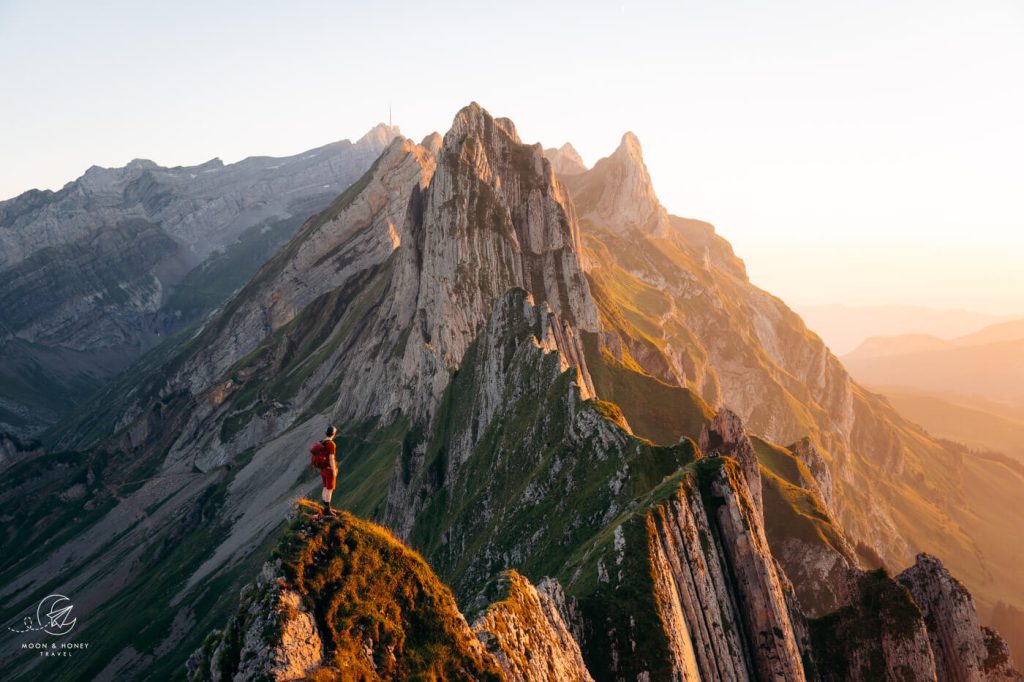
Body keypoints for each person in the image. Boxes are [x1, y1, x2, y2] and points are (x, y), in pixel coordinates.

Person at [319, 425, 339, 516]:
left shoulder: (322, 442)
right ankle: (327, 510)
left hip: (322, 468)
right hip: (329, 469)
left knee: (325, 486)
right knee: (329, 489)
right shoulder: (331, 444)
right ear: (333, 434)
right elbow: (331, 458)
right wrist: (334, 470)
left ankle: (325, 506)